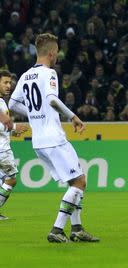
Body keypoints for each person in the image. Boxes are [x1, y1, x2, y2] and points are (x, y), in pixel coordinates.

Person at [9, 33, 99, 243]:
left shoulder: (25, 75)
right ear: (51, 53)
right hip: (54, 138)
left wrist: (33, 114)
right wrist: (73, 116)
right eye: (57, 53)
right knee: (79, 181)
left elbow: (13, 104)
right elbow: (51, 99)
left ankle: (76, 228)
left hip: (38, 141)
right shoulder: (49, 73)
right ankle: (57, 229)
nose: (57, 56)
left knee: (76, 181)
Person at [0, 70, 28, 220]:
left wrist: (12, 132)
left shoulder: (3, 102)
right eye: (5, 82)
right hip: (2, 151)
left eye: (9, 83)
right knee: (11, 179)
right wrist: (15, 127)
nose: (8, 86)